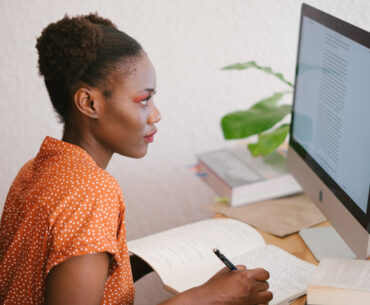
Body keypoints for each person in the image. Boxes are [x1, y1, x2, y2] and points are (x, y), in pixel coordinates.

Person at [0, 13, 273, 305]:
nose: (156, 115)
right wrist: (211, 296)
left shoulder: (37, 169)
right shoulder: (92, 192)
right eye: (144, 99)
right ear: (89, 103)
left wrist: (137, 264)